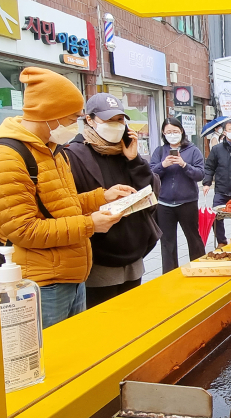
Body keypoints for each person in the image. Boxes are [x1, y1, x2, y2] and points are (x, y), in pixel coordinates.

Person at [0, 68, 132, 327]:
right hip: (42, 285)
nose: (75, 125)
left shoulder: (53, 150)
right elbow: (24, 230)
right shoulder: (10, 157)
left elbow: (61, 206)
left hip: (71, 276)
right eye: (71, 118)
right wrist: (90, 224)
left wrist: (101, 197)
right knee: (51, 358)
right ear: (49, 114)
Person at [65, 93, 161, 308]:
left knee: (131, 317)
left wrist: (135, 160)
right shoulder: (73, 155)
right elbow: (69, 203)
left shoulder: (125, 152)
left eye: (120, 120)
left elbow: (153, 192)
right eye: (109, 120)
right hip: (100, 254)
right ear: (89, 120)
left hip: (133, 252)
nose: (116, 126)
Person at [150, 118, 206, 274]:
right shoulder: (160, 151)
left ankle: (200, 269)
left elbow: (200, 174)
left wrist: (183, 164)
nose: (172, 135)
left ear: (181, 131)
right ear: (163, 133)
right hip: (164, 203)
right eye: (168, 132)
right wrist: (163, 165)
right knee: (167, 242)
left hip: (187, 202)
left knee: (193, 238)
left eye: (175, 131)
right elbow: (150, 173)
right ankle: (169, 274)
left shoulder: (193, 150)